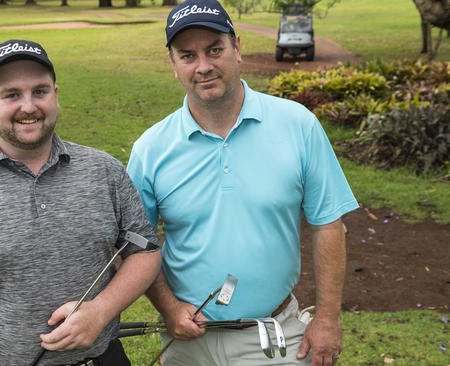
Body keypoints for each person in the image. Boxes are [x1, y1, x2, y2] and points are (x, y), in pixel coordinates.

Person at [126, 1, 359, 365]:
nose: (203, 66)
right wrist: (169, 308)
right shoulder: (151, 149)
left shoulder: (298, 125)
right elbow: (136, 244)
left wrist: (328, 318)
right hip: (189, 342)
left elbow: (328, 223)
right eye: (187, 55)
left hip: (274, 337)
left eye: (215, 49)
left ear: (237, 48)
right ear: (174, 65)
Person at [0, 39, 161, 366]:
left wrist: (100, 311)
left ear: (56, 94)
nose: (29, 106)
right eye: (12, 95)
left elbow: (145, 252)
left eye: (39, 91)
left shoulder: (105, 172)